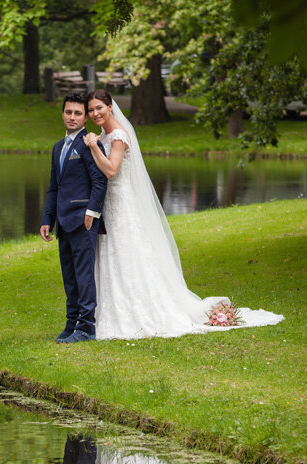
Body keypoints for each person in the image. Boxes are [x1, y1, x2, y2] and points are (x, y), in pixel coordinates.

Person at [82, 89, 284, 340]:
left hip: (122, 204)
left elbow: (111, 170)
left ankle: (141, 313)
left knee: (128, 251)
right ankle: (109, 311)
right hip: (108, 205)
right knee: (112, 253)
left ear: (110, 106)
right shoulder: (103, 135)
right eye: (90, 110)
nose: (94, 113)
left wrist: (92, 146)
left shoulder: (119, 135)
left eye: (98, 107)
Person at [40, 93, 108, 343]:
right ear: (62, 114)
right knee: (69, 275)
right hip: (63, 221)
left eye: (78, 113)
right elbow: (53, 187)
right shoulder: (58, 147)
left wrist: (92, 213)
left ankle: (87, 327)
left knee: (83, 274)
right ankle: (71, 323)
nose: (72, 117)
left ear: (85, 117)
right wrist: (47, 218)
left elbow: (100, 181)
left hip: (84, 220)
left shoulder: (90, 143)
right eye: (69, 112)